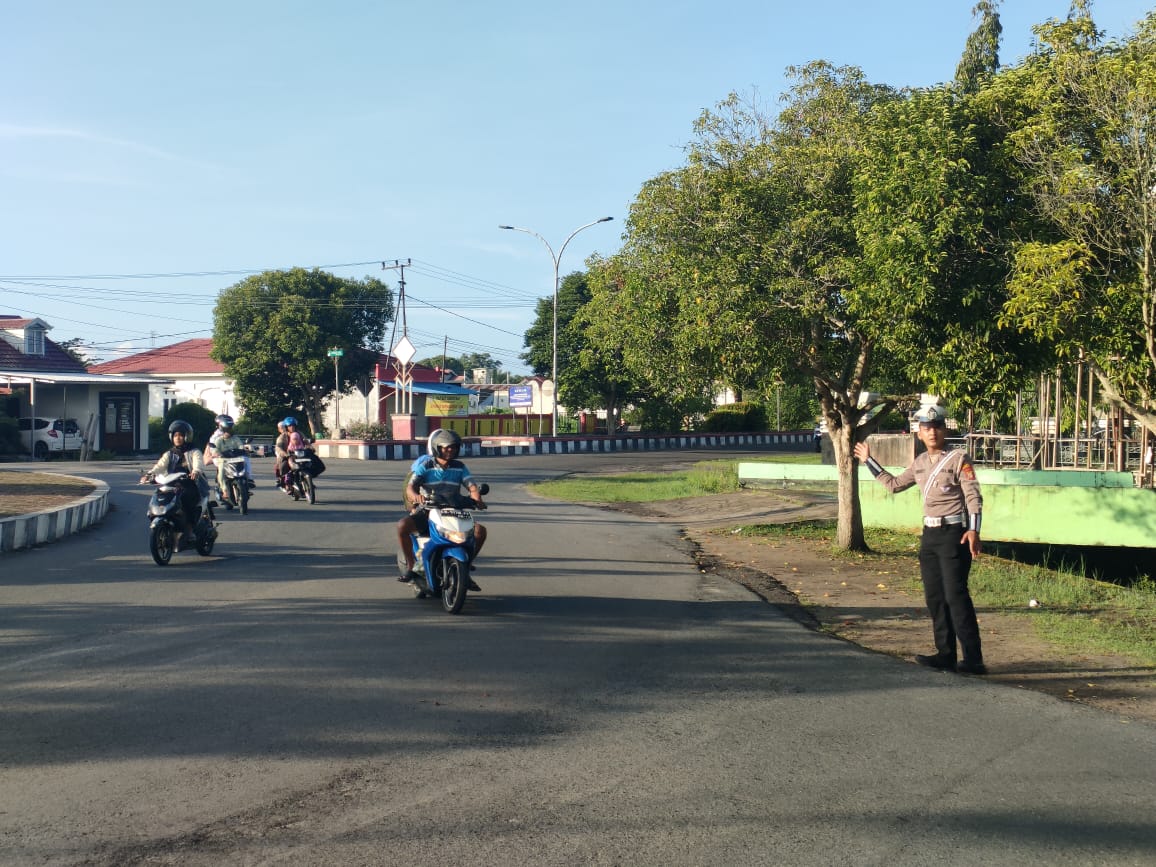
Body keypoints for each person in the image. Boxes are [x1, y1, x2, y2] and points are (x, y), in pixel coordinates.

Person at [853, 407, 987, 675]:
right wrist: (869, 461)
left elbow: (973, 496)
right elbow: (893, 485)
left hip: (954, 534)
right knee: (935, 597)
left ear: (944, 430)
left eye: (937, 427)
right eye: (927, 428)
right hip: (930, 536)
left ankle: (974, 659)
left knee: (956, 596)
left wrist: (974, 530)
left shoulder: (958, 458)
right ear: (919, 433)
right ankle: (945, 654)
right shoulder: (920, 462)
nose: (932, 432)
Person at [397, 428, 486, 591]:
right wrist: (416, 497)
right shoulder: (426, 465)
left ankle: (466, 567)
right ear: (437, 447)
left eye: (454, 447)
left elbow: (472, 486)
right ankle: (411, 567)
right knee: (402, 526)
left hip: (454, 511)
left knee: (480, 532)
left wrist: (477, 499)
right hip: (428, 510)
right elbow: (411, 487)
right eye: (446, 447)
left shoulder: (460, 467)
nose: (450, 450)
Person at [140, 419, 206, 548]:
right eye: (175, 435)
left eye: (181, 435)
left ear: (187, 436)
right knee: (159, 496)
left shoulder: (194, 451)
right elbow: (160, 466)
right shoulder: (169, 453)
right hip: (172, 483)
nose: (178, 438)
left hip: (190, 483)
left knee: (187, 500)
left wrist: (196, 471)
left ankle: (190, 530)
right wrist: (149, 474)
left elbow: (198, 463)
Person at [205, 414, 252, 504]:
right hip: (222, 458)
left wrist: (244, 449)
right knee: (221, 469)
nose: (228, 430)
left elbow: (240, 445)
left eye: (230, 428)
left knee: (246, 459)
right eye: (227, 428)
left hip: (234, 457)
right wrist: (216, 453)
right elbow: (214, 448)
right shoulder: (216, 437)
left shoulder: (234, 437)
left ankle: (249, 478)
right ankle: (224, 490)